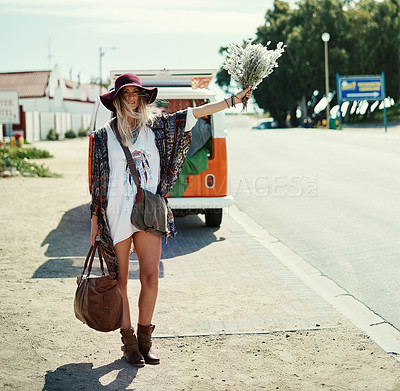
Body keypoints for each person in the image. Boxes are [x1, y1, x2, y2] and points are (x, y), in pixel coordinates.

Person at [90, 73, 252, 367]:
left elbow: (195, 113)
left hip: (148, 210)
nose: (131, 98)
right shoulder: (104, 136)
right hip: (115, 212)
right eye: (125, 93)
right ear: (116, 100)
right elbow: (97, 181)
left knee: (151, 278)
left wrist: (232, 100)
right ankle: (128, 343)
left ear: (142, 98)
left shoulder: (158, 128)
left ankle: (144, 340)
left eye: (135, 93)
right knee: (121, 281)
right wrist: (93, 223)